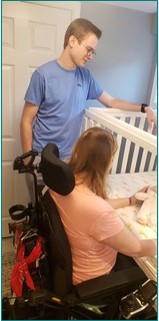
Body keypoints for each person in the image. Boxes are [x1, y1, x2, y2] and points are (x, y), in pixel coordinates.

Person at [20, 18, 156, 202]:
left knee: (66, 213)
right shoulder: (43, 75)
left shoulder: (85, 76)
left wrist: (143, 107)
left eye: (93, 52)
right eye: (89, 49)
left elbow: (111, 100)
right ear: (72, 41)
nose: (90, 55)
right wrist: (28, 159)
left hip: (71, 158)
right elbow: (26, 120)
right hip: (43, 158)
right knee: (43, 213)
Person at [49, 127, 156, 285]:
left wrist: (131, 200)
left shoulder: (63, 183)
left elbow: (93, 211)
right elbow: (137, 248)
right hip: (92, 280)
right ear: (105, 162)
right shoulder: (98, 210)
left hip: (66, 268)